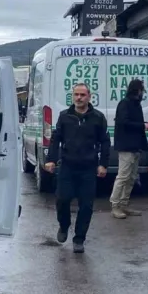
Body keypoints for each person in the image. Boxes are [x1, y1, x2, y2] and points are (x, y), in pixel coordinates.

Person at [45, 83, 110, 254]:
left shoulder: (98, 117)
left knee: (86, 206)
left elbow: (105, 142)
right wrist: (51, 160)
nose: (79, 98)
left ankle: (79, 239)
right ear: (72, 96)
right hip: (67, 166)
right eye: (76, 95)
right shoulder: (64, 116)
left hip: (88, 168)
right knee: (62, 199)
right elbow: (55, 139)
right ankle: (64, 225)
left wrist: (103, 164)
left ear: (89, 96)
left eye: (82, 95)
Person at [110, 79, 148, 219]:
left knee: (132, 177)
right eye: (141, 89)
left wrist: (143, 124)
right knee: (123, 177)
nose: (142, 92)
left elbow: (132, 122)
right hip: (126, 146)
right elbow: (123, 122)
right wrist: (142, 126)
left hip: (135, 146)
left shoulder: (135, 104)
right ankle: (115, 205)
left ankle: (124, 204)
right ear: (137, 90)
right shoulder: (125, 103)